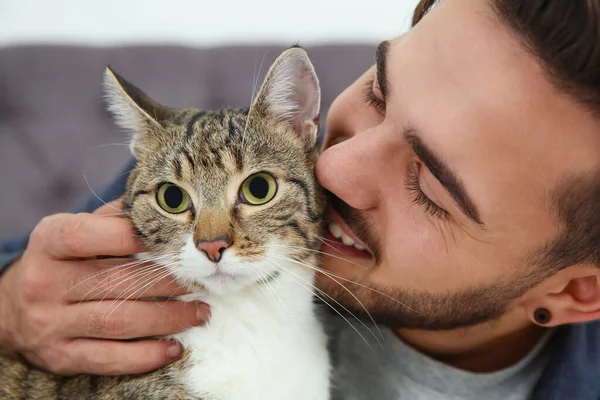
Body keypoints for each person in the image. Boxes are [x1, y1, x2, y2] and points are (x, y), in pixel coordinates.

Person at [2, 0, 600, 398]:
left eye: (430, 185)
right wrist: (9, 309)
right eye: (378, 90)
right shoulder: (187, 175)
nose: (332, 168)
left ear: (577, 291)